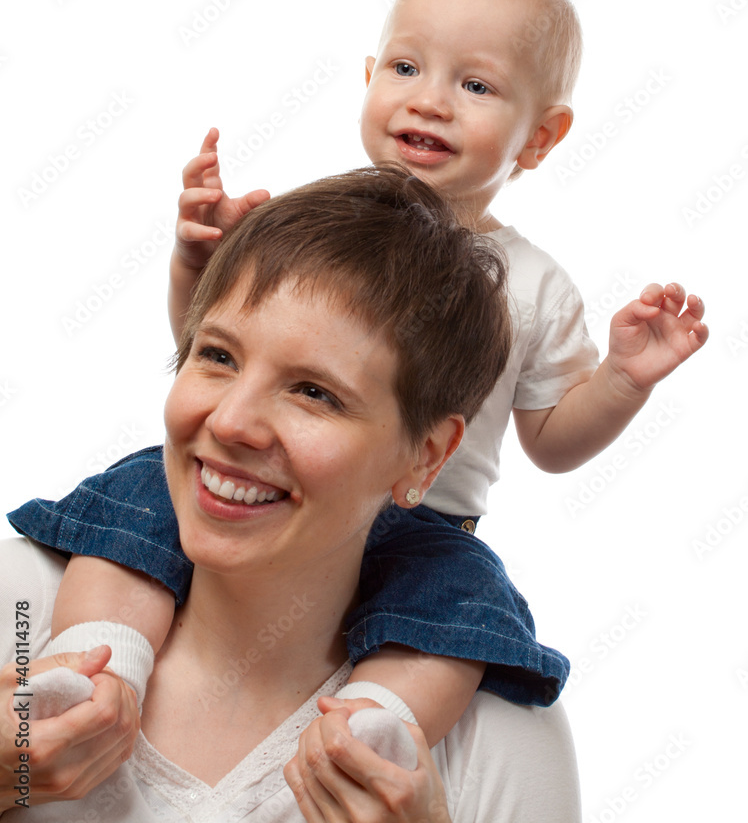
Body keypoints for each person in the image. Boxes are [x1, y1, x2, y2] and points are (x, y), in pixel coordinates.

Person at [8, 0, 708, 750]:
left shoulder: (534, 285)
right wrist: (197, 265)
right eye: (406, 68)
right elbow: (210, 351)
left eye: (476, 85)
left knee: (461, 618)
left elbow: (551, 443)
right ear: (370, 76)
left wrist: (622, 379)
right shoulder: (309, 229)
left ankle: (372, 731)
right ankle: (92, 666)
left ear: (541, 137)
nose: (430, 101)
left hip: (427, 525)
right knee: (133, 515)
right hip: (267, 485)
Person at [0, 166, 581, 821]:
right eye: (218, 356)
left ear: (427, 456)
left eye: (314, 393)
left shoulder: (497, 740)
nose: (230, 422)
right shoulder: (18, 604)